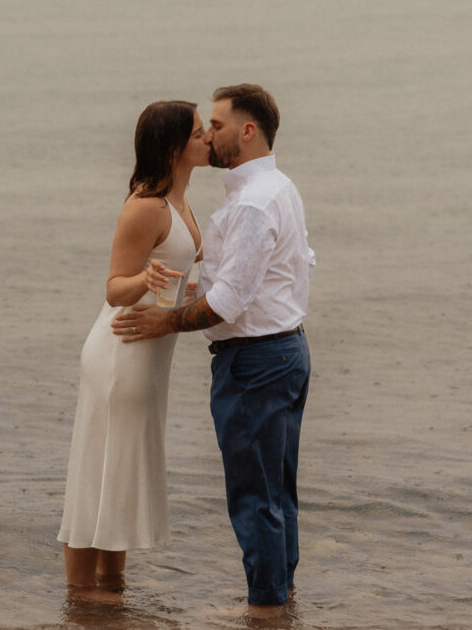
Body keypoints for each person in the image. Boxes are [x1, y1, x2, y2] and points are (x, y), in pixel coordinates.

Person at [111, 84, 313, 618]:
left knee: (254, 499)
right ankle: (281, 599)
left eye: (217, 126)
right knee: (277, 493)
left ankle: (265, 610)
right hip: (286, 351)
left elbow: (227, 301)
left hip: (256, 363)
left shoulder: (250, 202)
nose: (209, 135)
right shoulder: (279, 188)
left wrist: (164, 322)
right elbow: (276, 275)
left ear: (248, 131)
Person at [57, 100, 208, 603]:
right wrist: (143, 277)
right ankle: (81, 594)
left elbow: (182, 278)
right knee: (99, 473)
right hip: (121, 351)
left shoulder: (181, 202)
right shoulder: (146, 205)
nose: (208, 137)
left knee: (119, 471)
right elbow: (113, 288)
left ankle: (112, 587)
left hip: (149, 352)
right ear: (173, 147)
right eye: (198, 132)